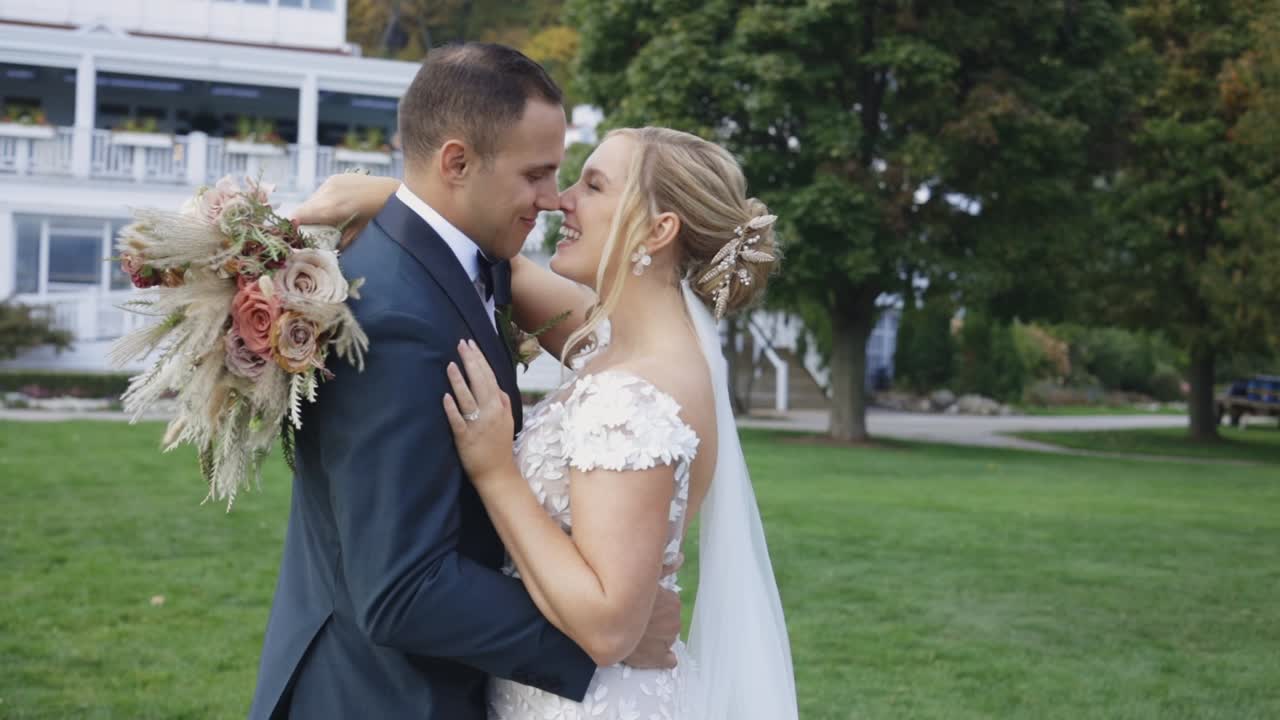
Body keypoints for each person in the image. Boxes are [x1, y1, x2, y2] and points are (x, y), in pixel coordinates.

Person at [295, 126, 800, 719]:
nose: (563, 200)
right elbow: (500, 264)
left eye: (594, 185)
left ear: (659, 230)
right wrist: (386, 197)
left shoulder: (634, 395)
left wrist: (495, 472)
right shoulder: (625, 343)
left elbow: (610, 629)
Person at [247, 43, 681, 720]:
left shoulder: (460, 266)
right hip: (380, 696)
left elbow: (615, 338)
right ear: (456, 163)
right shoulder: (393, 316)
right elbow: (401, 590)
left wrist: (390, 193)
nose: (552, 198)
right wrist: (597, 647)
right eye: (536, 174)